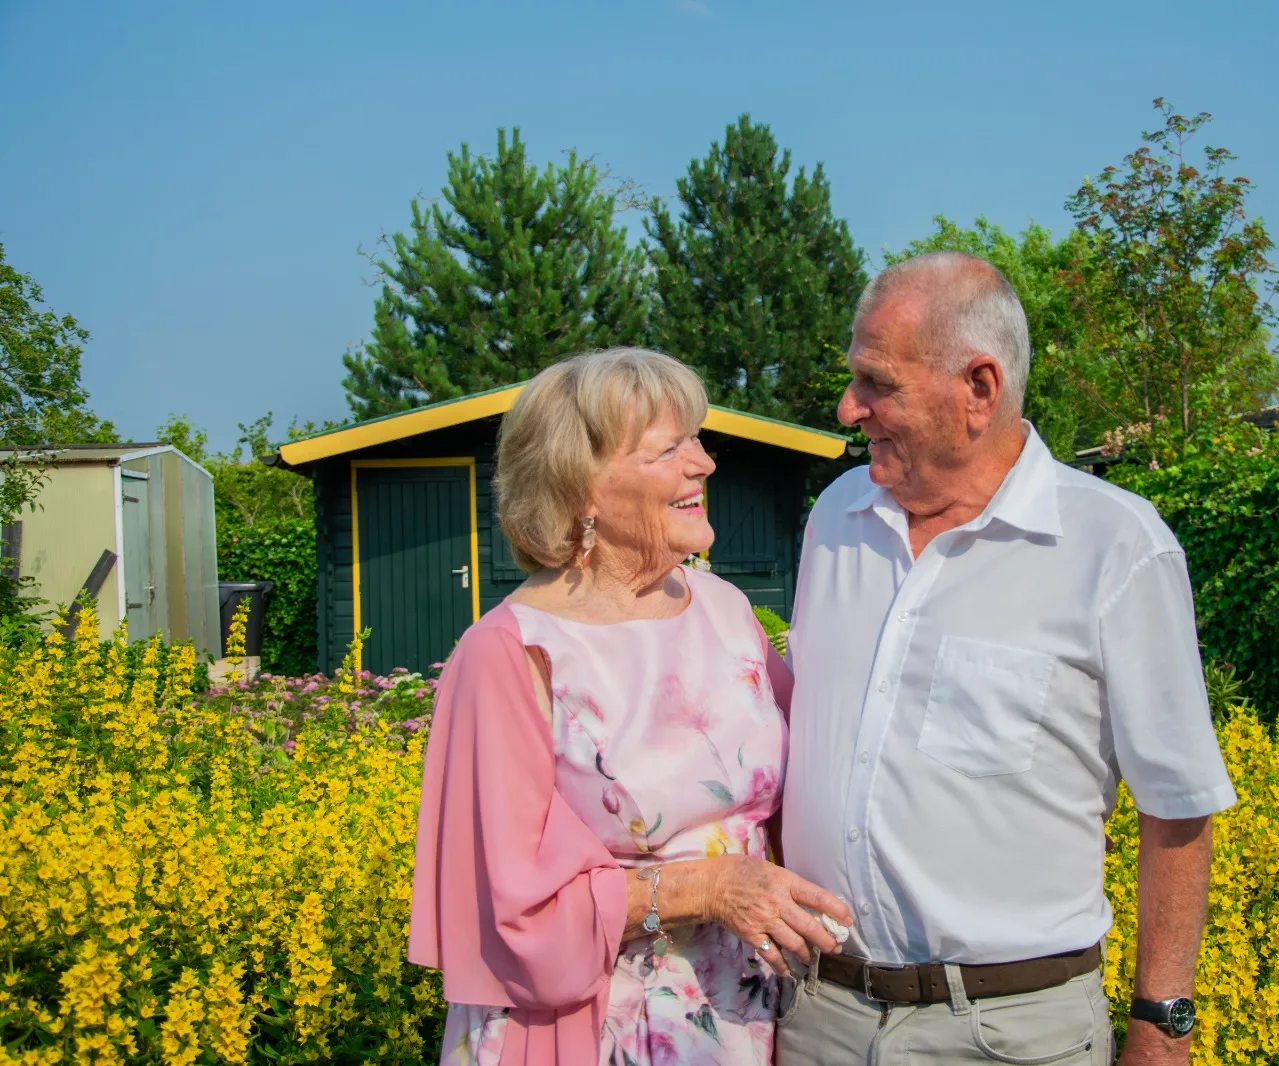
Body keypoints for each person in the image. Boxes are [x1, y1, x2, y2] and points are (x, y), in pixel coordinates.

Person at [777, 252, 1236, 1065]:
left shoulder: (1114, 547)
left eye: (878, 383)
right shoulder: (836, 520)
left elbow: (1178, 803)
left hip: (1009, 1034)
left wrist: (1162, 1025)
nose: (851, 409)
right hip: (822, 1018)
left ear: (978, 389)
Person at [409, 347, 852, 1066]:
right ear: (581, 488)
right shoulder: (509, 655)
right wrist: (706, 888)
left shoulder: (725, 608)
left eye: (698, 439)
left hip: (752, 1015)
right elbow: (510, 910)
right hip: (597, 1027)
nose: (703, 462)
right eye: (670, 447)